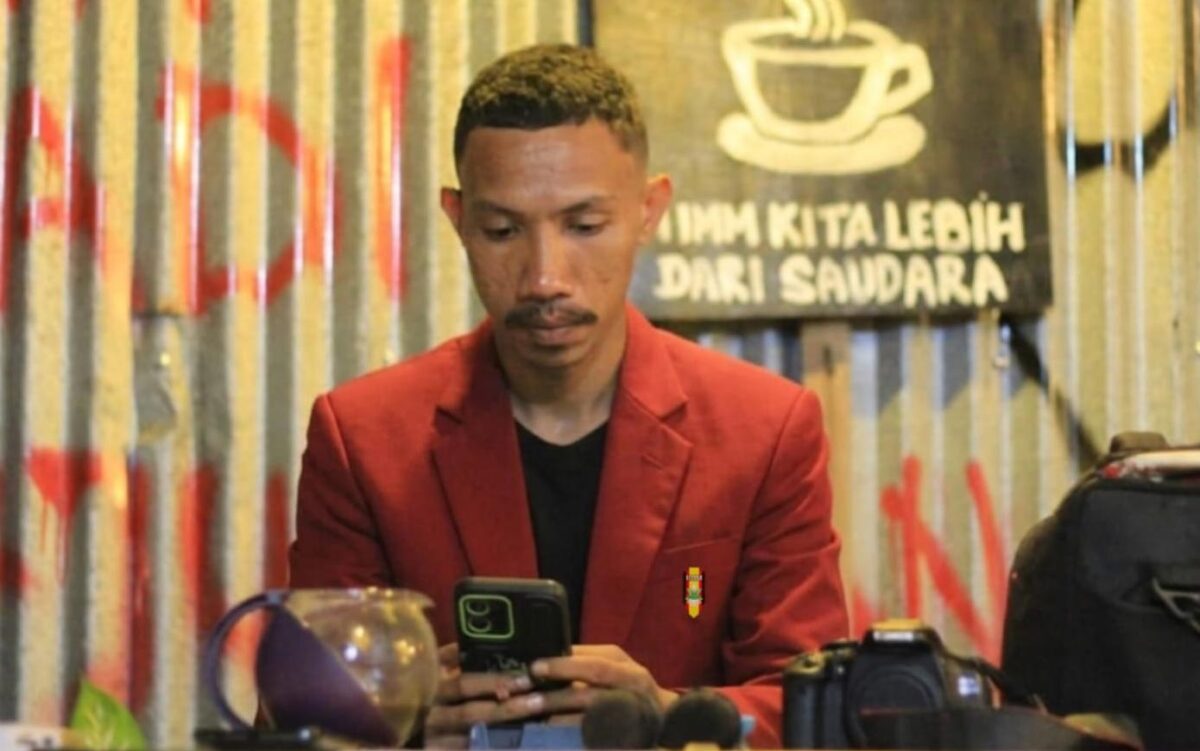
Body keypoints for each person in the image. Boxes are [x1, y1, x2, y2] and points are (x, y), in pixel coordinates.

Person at [289, 43, 847, 747]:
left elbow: (811, 709)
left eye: (584, 226)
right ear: (457, 218)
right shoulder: (363, 438)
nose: (545, 278)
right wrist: (403, 731)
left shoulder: (764, 431)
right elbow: (297, 714)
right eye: (502, 231)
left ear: (649, 210)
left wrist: (664, 717)